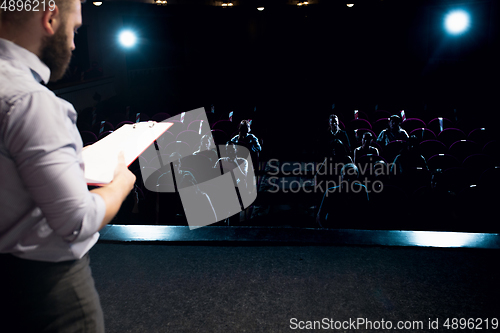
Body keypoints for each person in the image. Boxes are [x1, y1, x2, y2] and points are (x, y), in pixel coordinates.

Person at [0, 2, 136, 332]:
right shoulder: (31, 101)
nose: (75, 44)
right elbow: (78, 220)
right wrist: (120, 182)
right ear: (49, 17)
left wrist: (70, 158)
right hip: (45, 288)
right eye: (74, 30)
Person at [316, 163, 369, 228]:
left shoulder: (362, 190)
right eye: (346, 177)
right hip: (335, 229)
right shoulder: (331, 192)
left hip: (355, 230)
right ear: (341, 176)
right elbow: (321, 215)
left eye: (352, 177)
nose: (349, 180)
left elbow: (366, 213)